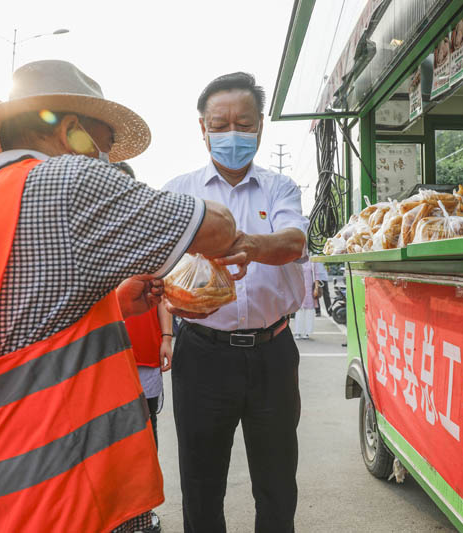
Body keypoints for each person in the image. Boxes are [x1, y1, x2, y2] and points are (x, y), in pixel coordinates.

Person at [0, 60, 240, 533]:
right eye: (104, 149)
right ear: (71, 132)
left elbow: (26, 324)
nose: (107, 163)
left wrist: (111, 304)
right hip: (71, 497)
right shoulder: (67, 180)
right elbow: (217, 228)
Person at [163, 72, 308, 533]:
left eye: (242, 123)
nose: (231, 134)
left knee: (277, 484)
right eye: (219, 124)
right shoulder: (179, 191)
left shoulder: (279, 188)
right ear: (202, 128)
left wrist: (248, 246)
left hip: (272, 353)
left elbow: (293, 242)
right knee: (202, 487)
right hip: (203, 354)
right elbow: (158, 267)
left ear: (260, 127)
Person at [115, 161, 171, 533]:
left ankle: (142, 514)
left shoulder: (148, 240)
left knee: (145, 434)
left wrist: (167, 337)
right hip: (103, 358)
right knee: (109, 438)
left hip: (146, 353)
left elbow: (165, 295)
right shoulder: (82, 237)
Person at [293, 260, 327, 339]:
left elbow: (316, 275)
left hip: (309, 290)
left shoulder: (312, 261)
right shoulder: (297, 260)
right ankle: (298, 332)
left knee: (309, 311)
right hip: (299, 288)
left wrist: (316, 288)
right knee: (299, 310)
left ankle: (307, 332)